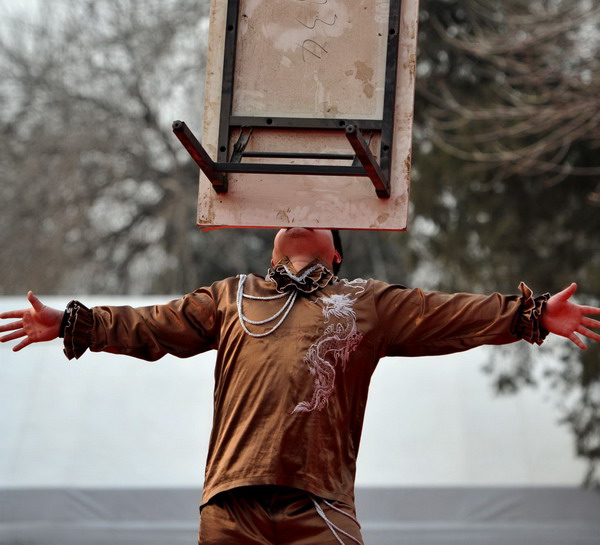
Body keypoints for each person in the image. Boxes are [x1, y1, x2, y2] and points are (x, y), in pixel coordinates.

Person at [1, 226, 599, 545]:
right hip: (232, 507)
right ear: (271, 248)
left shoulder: (366, 301)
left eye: (316, 216)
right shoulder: (231, 296)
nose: (299, 215)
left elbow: (448, 314)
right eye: (286, 216)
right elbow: (150, 325)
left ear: (336, 252)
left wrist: (532, 315)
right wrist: (71, 323)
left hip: (321, 507)